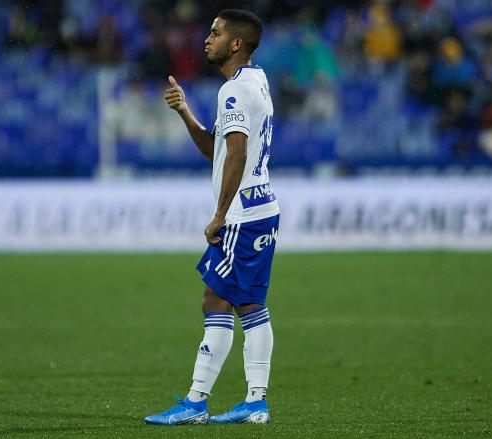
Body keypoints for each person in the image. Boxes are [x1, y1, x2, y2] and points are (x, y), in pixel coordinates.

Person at [145, 9, 280, 425]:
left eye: (216, 33)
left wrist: (219, 214)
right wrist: (186, 112)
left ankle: (197, 401)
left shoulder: (233, 92)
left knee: (215, 299)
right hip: (264, 209)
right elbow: (216, 150)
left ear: (235, 43)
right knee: (250, 304)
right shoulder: (256, 81)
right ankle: (254, 402)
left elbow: (234, 155)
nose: (207, 38)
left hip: (240, 216)